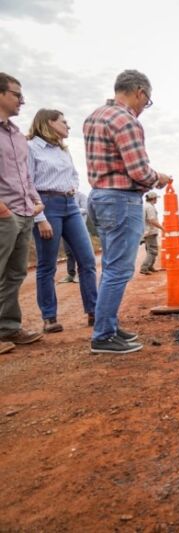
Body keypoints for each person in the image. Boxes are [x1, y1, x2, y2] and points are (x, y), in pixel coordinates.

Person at [84, 69, 172, 354]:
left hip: (99, 196)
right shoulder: (127, 122)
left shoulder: (95, 116)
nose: (143, 108)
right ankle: (103, 336)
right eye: (146, 102)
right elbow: (138, 171)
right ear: (139, 92)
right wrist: (158, 176)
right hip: (121, 199)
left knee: (111, 266)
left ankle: (108, 326)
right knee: (118, 270)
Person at [27, 109, 98, 334]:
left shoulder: (63, 150)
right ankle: (49, 317)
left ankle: (94, 311)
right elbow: (27, 184)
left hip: (71, 206)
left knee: (87, 260)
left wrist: (74, 189)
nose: (68, 125)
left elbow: (75, 175)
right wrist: (39, 218)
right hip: (46, 206)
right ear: (49, 123)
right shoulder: (31, 148)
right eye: (63, 121)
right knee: (47, 265)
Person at [0, 72, 44, 352]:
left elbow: (26, 177)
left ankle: (8, 328)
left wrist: (34, 202)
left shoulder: (17, 136)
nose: (22, 101)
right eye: (16, 94)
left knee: (15, 274)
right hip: (3, 212)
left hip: (23, 211)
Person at [60, 190, 88, 283]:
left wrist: (71, 210)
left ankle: (80, 275)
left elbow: (86, 209)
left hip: (79, 229)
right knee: (69, 253)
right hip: (66, 227)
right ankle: (71, 274)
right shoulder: (63, 196)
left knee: (79, 253)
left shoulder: (81, 195)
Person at [140, 191, 163, 275]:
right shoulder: (150, 207)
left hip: (146, 231)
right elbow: (152, 220)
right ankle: (144, 268)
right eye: (156, 198)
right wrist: (162, 228)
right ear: (153, 198)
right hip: (150, 231)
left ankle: (150, 266)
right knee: (153, 251)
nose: (157, 200)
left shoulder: (145, 206)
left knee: (149, 250)